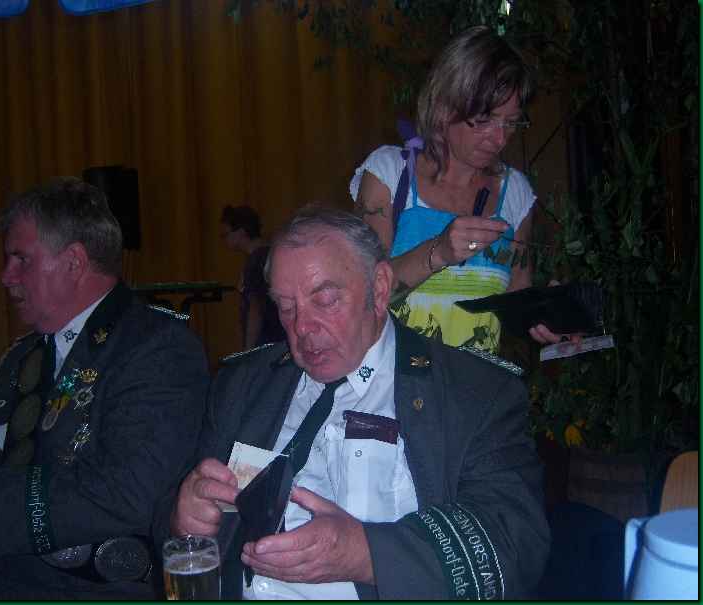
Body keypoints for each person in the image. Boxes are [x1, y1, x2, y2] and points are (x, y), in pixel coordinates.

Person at [166, 206, 549, 599]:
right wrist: (184, 520)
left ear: (379, 289)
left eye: (325, 299)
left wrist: (368, 554)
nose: (302, 327)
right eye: (286, 307)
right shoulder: (244, 384)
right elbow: (168, 519)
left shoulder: (472, 392)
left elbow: (515, 541)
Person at [0, 177, 209, 599]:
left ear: (74, 262)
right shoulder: (22, 356)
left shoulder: (157, 349)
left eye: (21, 259)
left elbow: (130, 495)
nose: (6, 276)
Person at [351, 25, 568, 352]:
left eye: (511, 122)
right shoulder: (389, 174)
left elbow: (515, 295)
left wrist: (544, 311)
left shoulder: (515, 193)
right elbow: (363, 298)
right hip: (394, 382)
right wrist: (438, 252)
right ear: (443, 108)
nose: (500, 138)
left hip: (475, 382)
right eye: (484, 120)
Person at [220, 205, 285, 348]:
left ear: (241, 232)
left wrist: (248, 350)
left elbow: (255, 309)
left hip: (266, 341)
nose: (224, 240)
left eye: (225, 235)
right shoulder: (271, 254)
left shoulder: (256, 261)